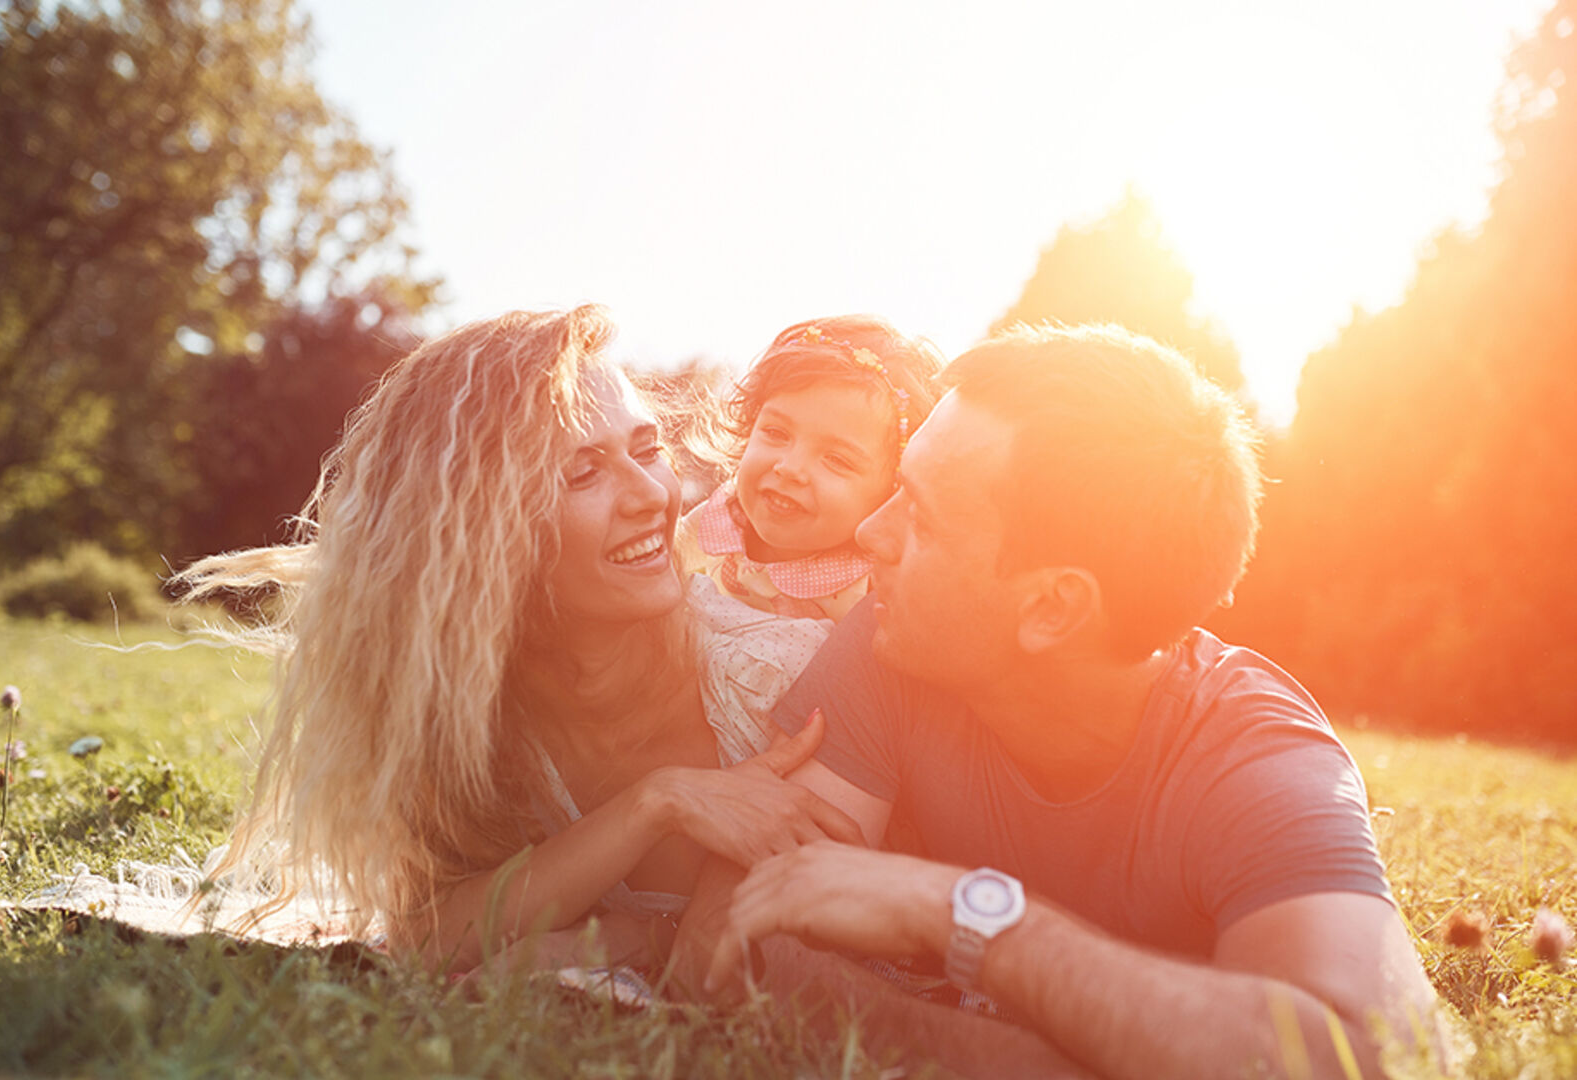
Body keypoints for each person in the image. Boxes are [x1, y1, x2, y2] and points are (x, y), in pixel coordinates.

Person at [693, 323, 1440, 1079]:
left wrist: (960, 909)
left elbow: (1366, 1057)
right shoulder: (895, 637)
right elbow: (727, 936)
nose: (868, 532)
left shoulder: (1256, 760)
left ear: (1051, 607)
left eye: (918, 514)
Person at [175, 306, 866, 974]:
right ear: (482, 536)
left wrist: (643, 940)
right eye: (582, 473)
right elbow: (428, 938)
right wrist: (656, 804)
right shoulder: (467, 717)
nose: (649, 497)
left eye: (647, 450)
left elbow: (860, 930)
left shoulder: (776, 676)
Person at [678, 315, 942, 623]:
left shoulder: (872, 588)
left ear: (891, 491)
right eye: (776, 433)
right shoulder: (721, 520)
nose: (789, 468)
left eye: (836, 459)